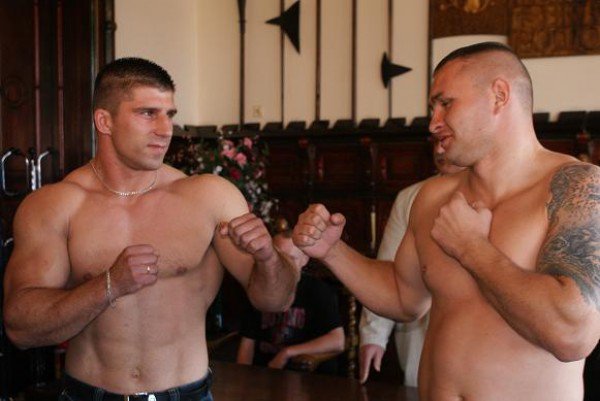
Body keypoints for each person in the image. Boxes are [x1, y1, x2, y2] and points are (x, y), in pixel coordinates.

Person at [293, 42, 600, 401]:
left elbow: (572, 335)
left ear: (499, 96)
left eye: (446, 103)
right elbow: (404, 297)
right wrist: (332, 251)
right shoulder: (434, 197)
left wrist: (471, 248)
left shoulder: (578, 188)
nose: (433, 123)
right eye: (432, 108)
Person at [2, 58, 300, 401]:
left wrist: (267, 258)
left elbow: (277, 300)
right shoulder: (55, 206)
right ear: (104, 121)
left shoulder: (209, 197)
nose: (165, 129)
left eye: (169, 114)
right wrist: (109, 285)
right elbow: (21, 328)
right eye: (148, 113)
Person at [359, 148, 464, 386]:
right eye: (435, 142)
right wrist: (374, 335)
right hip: (420, 326)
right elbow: (388, 268)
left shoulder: (503, 190)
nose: (439, 150)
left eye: (446, 140)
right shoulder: (411, 197)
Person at [236, 231, 345, 375]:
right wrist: (242, 380)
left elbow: (338, 341)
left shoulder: (318, 290)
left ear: (305, 259)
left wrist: (287, 352)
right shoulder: (258, 288)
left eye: (292, 258)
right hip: (263, 376)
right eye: (279, 258)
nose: (284, 266)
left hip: (304, 376)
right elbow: (247, 344)